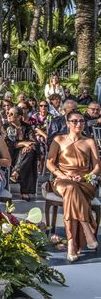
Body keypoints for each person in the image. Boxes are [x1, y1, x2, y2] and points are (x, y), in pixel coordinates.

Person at [46, 111, 100, 262]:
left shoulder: (89, 142)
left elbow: (97, 167)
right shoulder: (59, 139)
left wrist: (84, 177)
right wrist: (63, 176)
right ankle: (86, 228)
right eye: (75, 121)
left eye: (82, 121)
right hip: (63, 180)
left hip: (84, 182)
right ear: (67, 123)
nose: (79, 124)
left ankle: (71, 243)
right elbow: (49, 163)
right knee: (70, 188)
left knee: (72, 190)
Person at [4, 107, 40, 201]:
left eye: (12, 114)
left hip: (24, 155)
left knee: (30, 152)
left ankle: (16, 172)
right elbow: (6, 143)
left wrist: (28, 146)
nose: (8, 115)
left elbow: (34, 142)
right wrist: (23, 144)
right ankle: (25, 191)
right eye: (8, 113)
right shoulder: (5, 127)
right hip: (9, 153)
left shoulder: (27, 127)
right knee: (28, 157)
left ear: (19, 116)